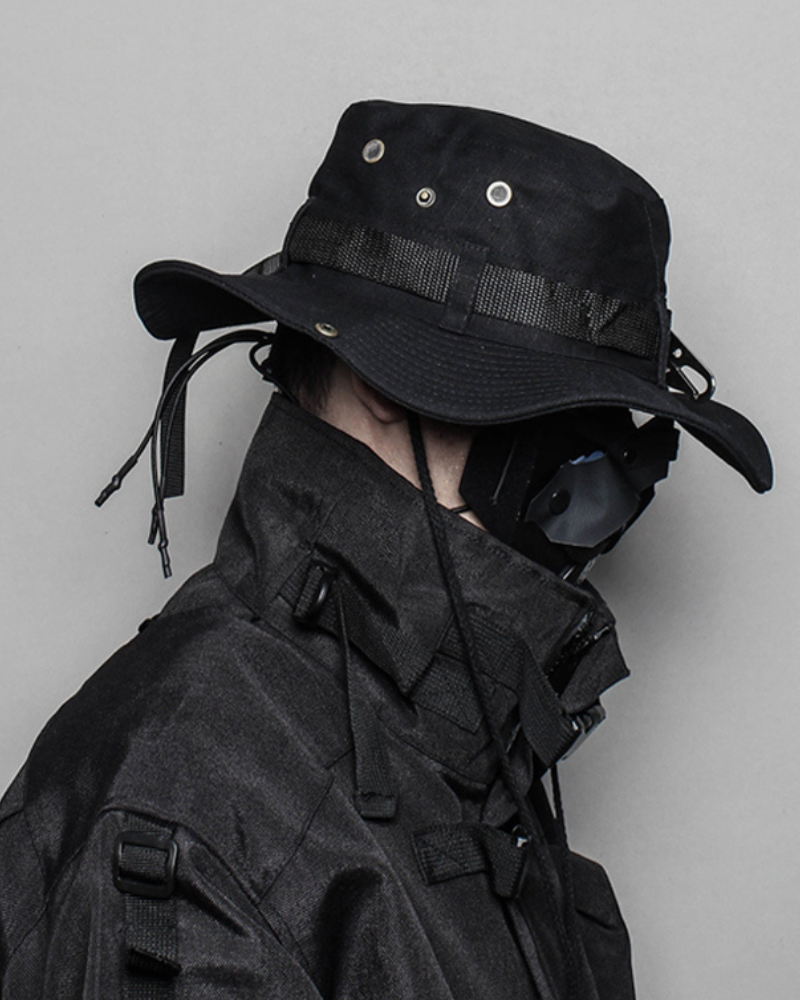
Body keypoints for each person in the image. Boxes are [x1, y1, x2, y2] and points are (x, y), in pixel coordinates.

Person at [0, 100, 772, 999]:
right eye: (562, 424)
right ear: (385, 380)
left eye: (617, 445)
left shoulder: (455, 752)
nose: (593, 500)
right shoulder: (192, 798)